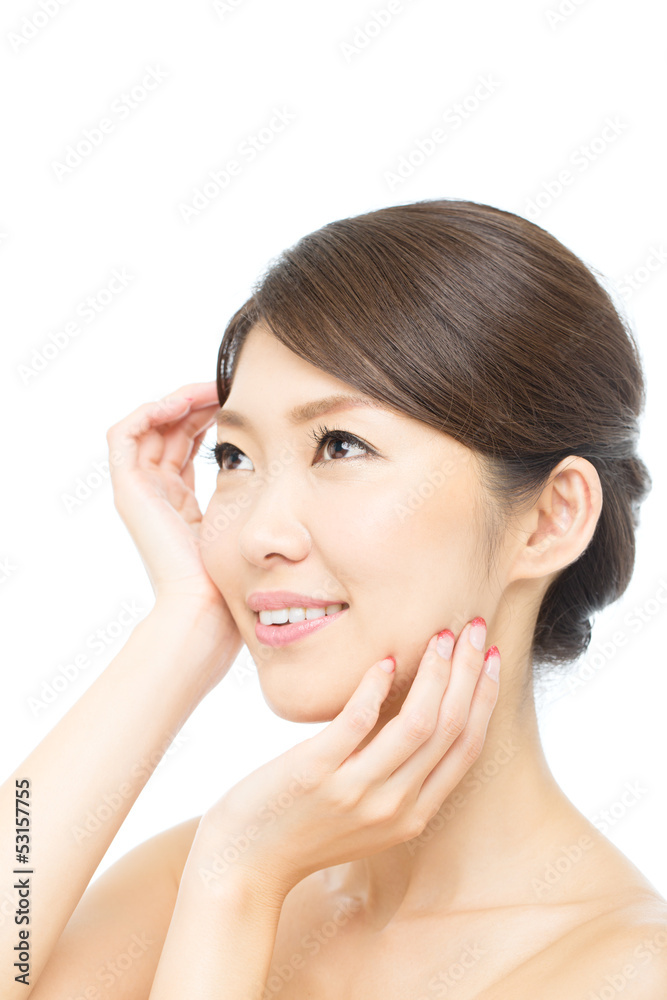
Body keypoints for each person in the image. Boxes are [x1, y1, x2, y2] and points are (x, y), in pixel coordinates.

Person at [2, 198, 666, 999]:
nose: (256, 535)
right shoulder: (205, 866)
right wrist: (182, 626)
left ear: (550, 518)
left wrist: (238, 892)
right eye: (235, 456)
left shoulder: (621, 972)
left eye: (340, 445)